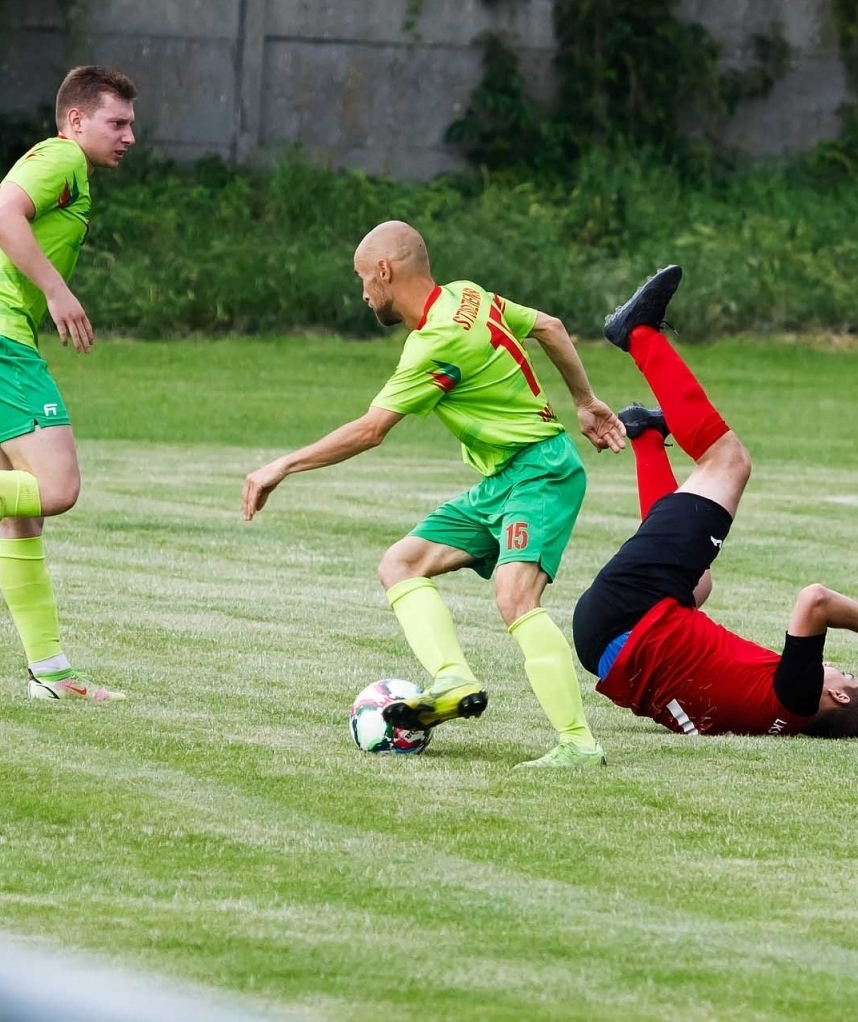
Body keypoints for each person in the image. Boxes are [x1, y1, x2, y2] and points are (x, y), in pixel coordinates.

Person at [243, 221, 629, 768]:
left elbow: (371, 429)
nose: (363, 295)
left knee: (515, 596)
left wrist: (282, 465)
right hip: (503, 480)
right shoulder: (467, 295)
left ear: (384, 271)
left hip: (540, 472)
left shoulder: (433, 343)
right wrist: (585, 400)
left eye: (363, 280)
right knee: (401, 564)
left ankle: (579, 744)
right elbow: (550, 325)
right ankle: (452, 680)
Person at [573, 264, 858, 738]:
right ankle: (646, 435)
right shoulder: (769, 719)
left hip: (628, 613)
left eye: (847, 676)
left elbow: (815, 601)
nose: (840, 671)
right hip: (604, 645)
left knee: (729, 463)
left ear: (838, 696)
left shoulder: (800, 697)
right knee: (697, 583)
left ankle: (637, 333)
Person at [0, 65, 138, 704]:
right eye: (117, 122)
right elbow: (1, 217)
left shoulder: (58, 161)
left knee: (20, 518)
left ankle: (49, 674)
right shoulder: (63, 157)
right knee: (57, 488)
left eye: (132, 124)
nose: (129, 136)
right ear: (76, 120)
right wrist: (56, 291)